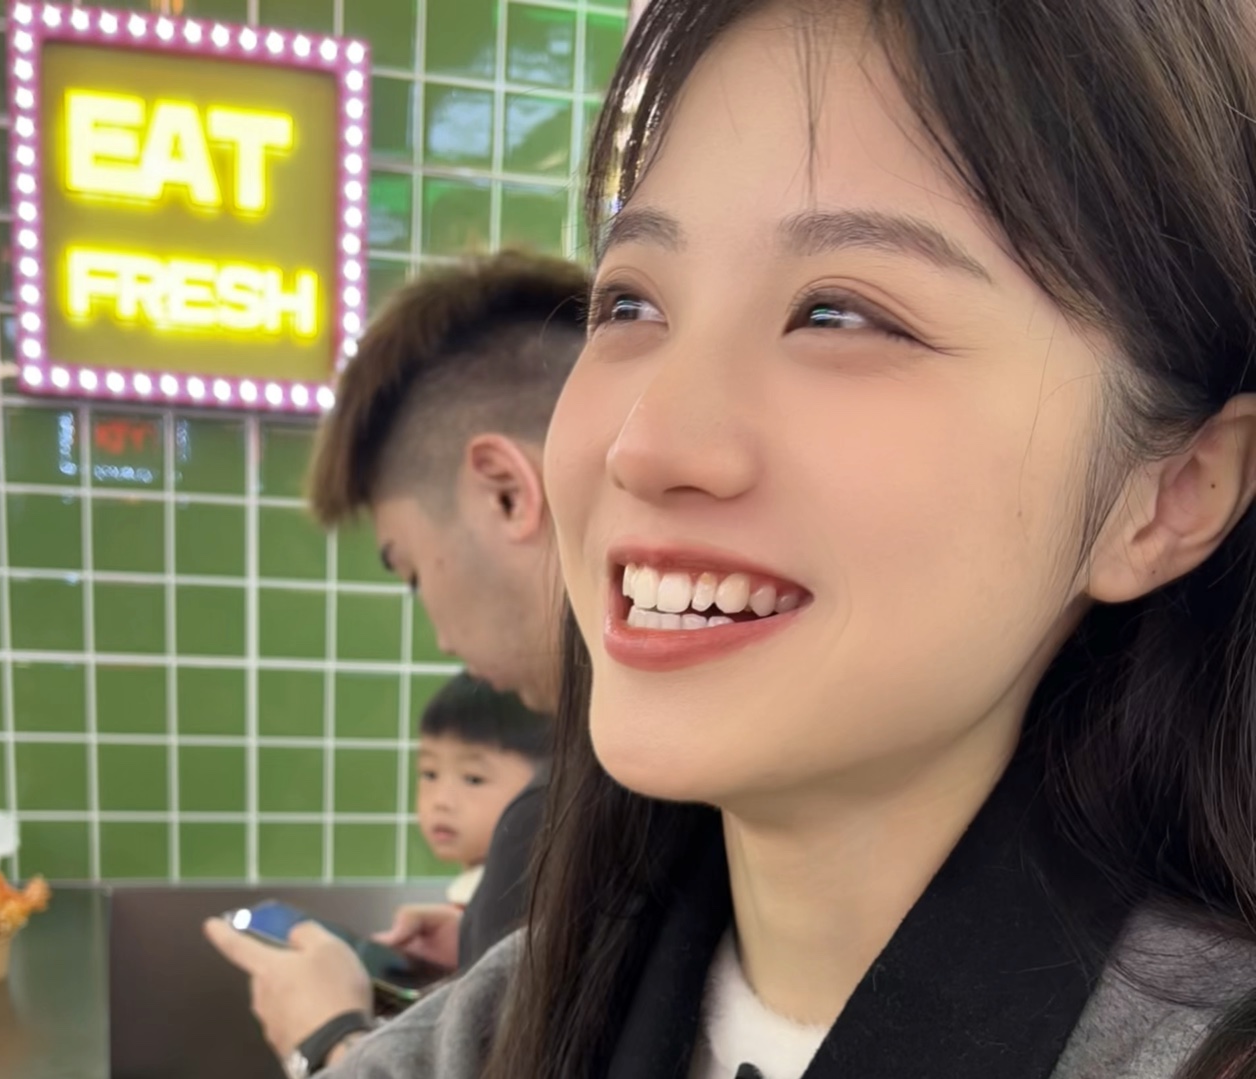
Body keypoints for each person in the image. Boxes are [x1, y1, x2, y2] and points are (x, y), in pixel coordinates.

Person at [325, 0, 1256, 1077]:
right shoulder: (475, 1043)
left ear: (1172, 494)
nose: (646, 443)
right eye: (629, 304)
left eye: (838, 314)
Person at [203, 250, 585, 1072]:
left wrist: (328, 1038)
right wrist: (489, 953)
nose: (440, 637)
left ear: (506, 491)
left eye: (409, 569)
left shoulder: (560, 821)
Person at [415, 672, 552, 910]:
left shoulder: (523, 904)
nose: (441, 801)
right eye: (429, 774)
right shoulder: (472, 893)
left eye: (473, 779)